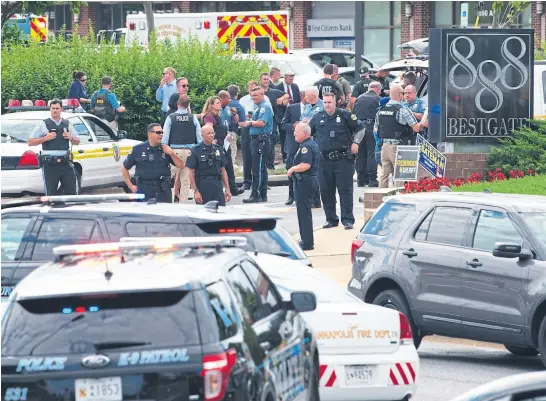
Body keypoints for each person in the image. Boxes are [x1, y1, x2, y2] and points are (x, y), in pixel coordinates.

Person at [309, 93, 362, 230]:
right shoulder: (318, 117)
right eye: (325, 102)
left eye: (329, 102)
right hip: (324, 160)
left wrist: (356, 143)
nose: (327, 105)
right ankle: (331, 219)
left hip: (343, 159)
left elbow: (360, 129)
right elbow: (309, 132)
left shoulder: (345, 115)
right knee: (326, 191)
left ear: (335, 102)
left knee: (345, 191)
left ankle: (348, 220)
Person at [121, 123, 185, 203]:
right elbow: (124, 168)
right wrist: (131, 186)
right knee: (144, 214)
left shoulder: (166, 149)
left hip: (163, 190)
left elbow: (181, 165)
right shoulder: (138, 149)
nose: (161, 135)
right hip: (144, 188)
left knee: (164, 214)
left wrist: (171, 153)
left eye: (162, 132)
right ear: (149, 134)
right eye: (158, 132)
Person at [28, 99, 80, 195]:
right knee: (51, 193)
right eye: (53, 108)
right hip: (50, 163)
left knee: (71, 191)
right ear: (50, 109)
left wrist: (71, 138)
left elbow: (77, 141)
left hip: (65, 162)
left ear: (61, 109)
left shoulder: (67, 123)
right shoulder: (43, 124)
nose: (55, 111)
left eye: (57, 108)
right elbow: (30, 142)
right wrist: (45, 138)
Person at [374, 84, 421, 188]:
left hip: (384, 147)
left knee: (384, 175)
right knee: (399, 175)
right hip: (398, 147)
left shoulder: (381, 110)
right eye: (403, 93)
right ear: (400, 94)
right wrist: (422, 123)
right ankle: (396, 198)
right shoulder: (402, 110)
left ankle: (382, 197)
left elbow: (376, 129)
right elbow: (416, 128)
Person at [162, 94, 202, 203]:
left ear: (177, 104)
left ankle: (168, 202)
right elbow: (199, 135)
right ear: (188, 105)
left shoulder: (171, 117)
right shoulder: (193, 117)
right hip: (189, 151)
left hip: (174, 152)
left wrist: (164, 147)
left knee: (170, 178)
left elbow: (165, 136)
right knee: (185, 180)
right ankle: (183, 205)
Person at [288, 122, 319, 251]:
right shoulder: (308, 144)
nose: (294, 133)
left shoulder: (306, 146)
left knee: (304, 212)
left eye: (297, 131)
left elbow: (306, 165)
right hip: (307, 181)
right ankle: (305, 239)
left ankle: (307, 242)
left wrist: (292, 169)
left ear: (305, 133)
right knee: (303, 212)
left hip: (304, 182)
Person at [202, 96, 242, 196]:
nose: (220, 104)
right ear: (211, 105)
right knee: (219, 168)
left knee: (228, 167)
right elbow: (209, 129)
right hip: (217, 145)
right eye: (217, 103)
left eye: (220, 102)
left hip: (224, 144)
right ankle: (220, 189)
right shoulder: (209, 116)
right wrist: (212, 140)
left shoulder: (218, 116)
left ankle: (233, 188)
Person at [186, 125, 232, 206]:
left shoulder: (218, 149)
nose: (211, 135)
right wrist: (195, 191)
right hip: (203, 185)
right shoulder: (195, 150)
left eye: (212, 133)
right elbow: (190, 172)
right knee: (204, 214)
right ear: (202, 135)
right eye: (208, 133)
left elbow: (223, 170)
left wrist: (227, 189)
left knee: (220, 211)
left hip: (217, 184)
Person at [243, 86, 274, 203]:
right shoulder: (258, 107)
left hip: (261, 140)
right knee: (260, 168)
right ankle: (262, 194)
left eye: (255, 95)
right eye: (252, 95)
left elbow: (261, 123)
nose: (253, 97)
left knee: (258, 168)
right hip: (257, 140)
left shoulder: (264, 107)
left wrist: (249, 122)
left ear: (262, 95)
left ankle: (256, 194)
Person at [281, 88, 308, 205]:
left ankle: (307, 196)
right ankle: (291, 195)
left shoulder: (315, 108)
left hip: (307, 144)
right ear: (304, 97)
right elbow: (283, 124)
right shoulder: (292, 108)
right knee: (291, 169)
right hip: (293, 144)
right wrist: (293, 126)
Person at [353, 81, 382, 187]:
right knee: (371, 153)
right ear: (378, 90)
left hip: (359, 128)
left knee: (360, 154)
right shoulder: (378, 99)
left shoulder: (359, 98)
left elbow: (353, 114)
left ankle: (361, 179)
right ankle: (372, 179)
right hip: (371, 127)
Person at [259, 72, 289, 169]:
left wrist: (281, 99)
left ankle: (270, 164)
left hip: (272, 120)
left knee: (271, 140)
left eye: (268, 79)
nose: (266, 81)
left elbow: (286, 95)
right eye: (264, 79)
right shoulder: (258, 91)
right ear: (260, 80)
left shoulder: (273, 91)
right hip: (260, 119)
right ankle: (261, 163)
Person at [301, 87, 324, 209]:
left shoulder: (322, 106)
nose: (305, 98)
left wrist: (307, 122)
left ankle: (317, 200)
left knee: (315, 172)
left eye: (306, 95)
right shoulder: (307, 106)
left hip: (317, 141)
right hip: (307, 141)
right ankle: (314, 199)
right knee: (309, 172)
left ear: (313, 95)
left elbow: (317, 123)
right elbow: (302, 120)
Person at [276, 71, 301, 163]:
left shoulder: (295, 86)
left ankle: (295, 153)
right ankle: (284, 155)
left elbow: (298, 99)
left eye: (293, 79)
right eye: (290, 79)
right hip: (283, 113)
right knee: (283, 135)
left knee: (294, 133)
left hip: (293, 113)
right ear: (285, 78)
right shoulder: (278, 87)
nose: (291, 80)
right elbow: (276, 102)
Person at [239, 80, 259, 191]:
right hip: (246, 128)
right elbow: (240, 116)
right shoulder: (243, 100)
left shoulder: (263, 99)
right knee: (247, 156)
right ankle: (247, 181)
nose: (253, 93)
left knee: (258, 156)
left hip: (258, 128)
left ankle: (259, 181)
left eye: (255, 90)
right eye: (251, 90)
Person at [219, 89, 242, 174]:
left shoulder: (228, 108)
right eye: (228, 98)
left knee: (232, 150)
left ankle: (230, 167)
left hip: (228, 132)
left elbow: (236, 121)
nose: (230, 100)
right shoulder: (217, 108)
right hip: (219, 134)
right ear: (222, 98)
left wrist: (235, 113)